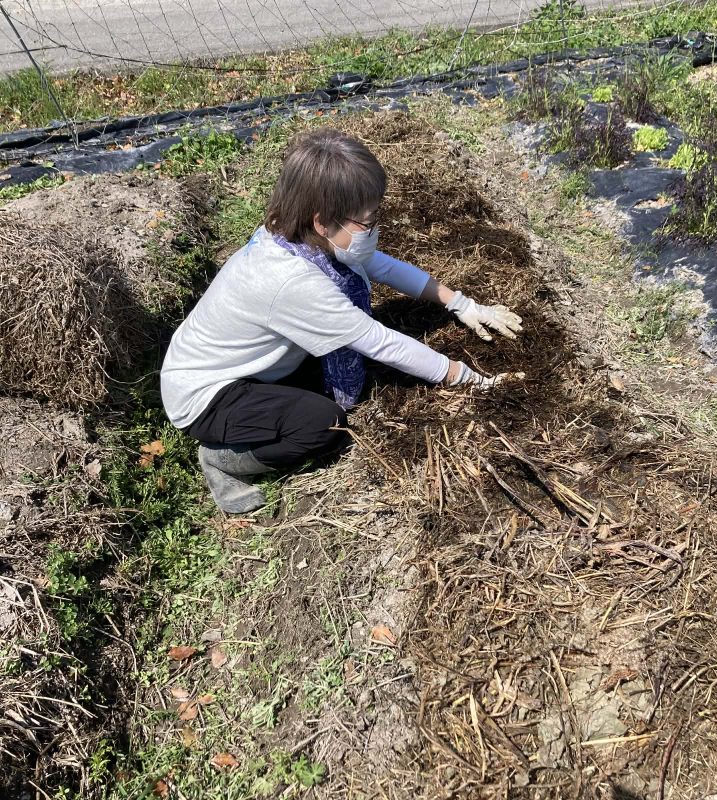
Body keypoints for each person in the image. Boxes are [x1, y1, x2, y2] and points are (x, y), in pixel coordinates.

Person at [160, 128, 522, 514]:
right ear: (322, 222)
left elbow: (377, 264)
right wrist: (468, 378)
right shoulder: (293, 281)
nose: (375, 230)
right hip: (208, 396)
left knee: (328, 373)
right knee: (322, 424)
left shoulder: (293, 235)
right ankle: (223, 459)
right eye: (367, 222)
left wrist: (461, 304)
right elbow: (379, 341)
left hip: (242, 366)